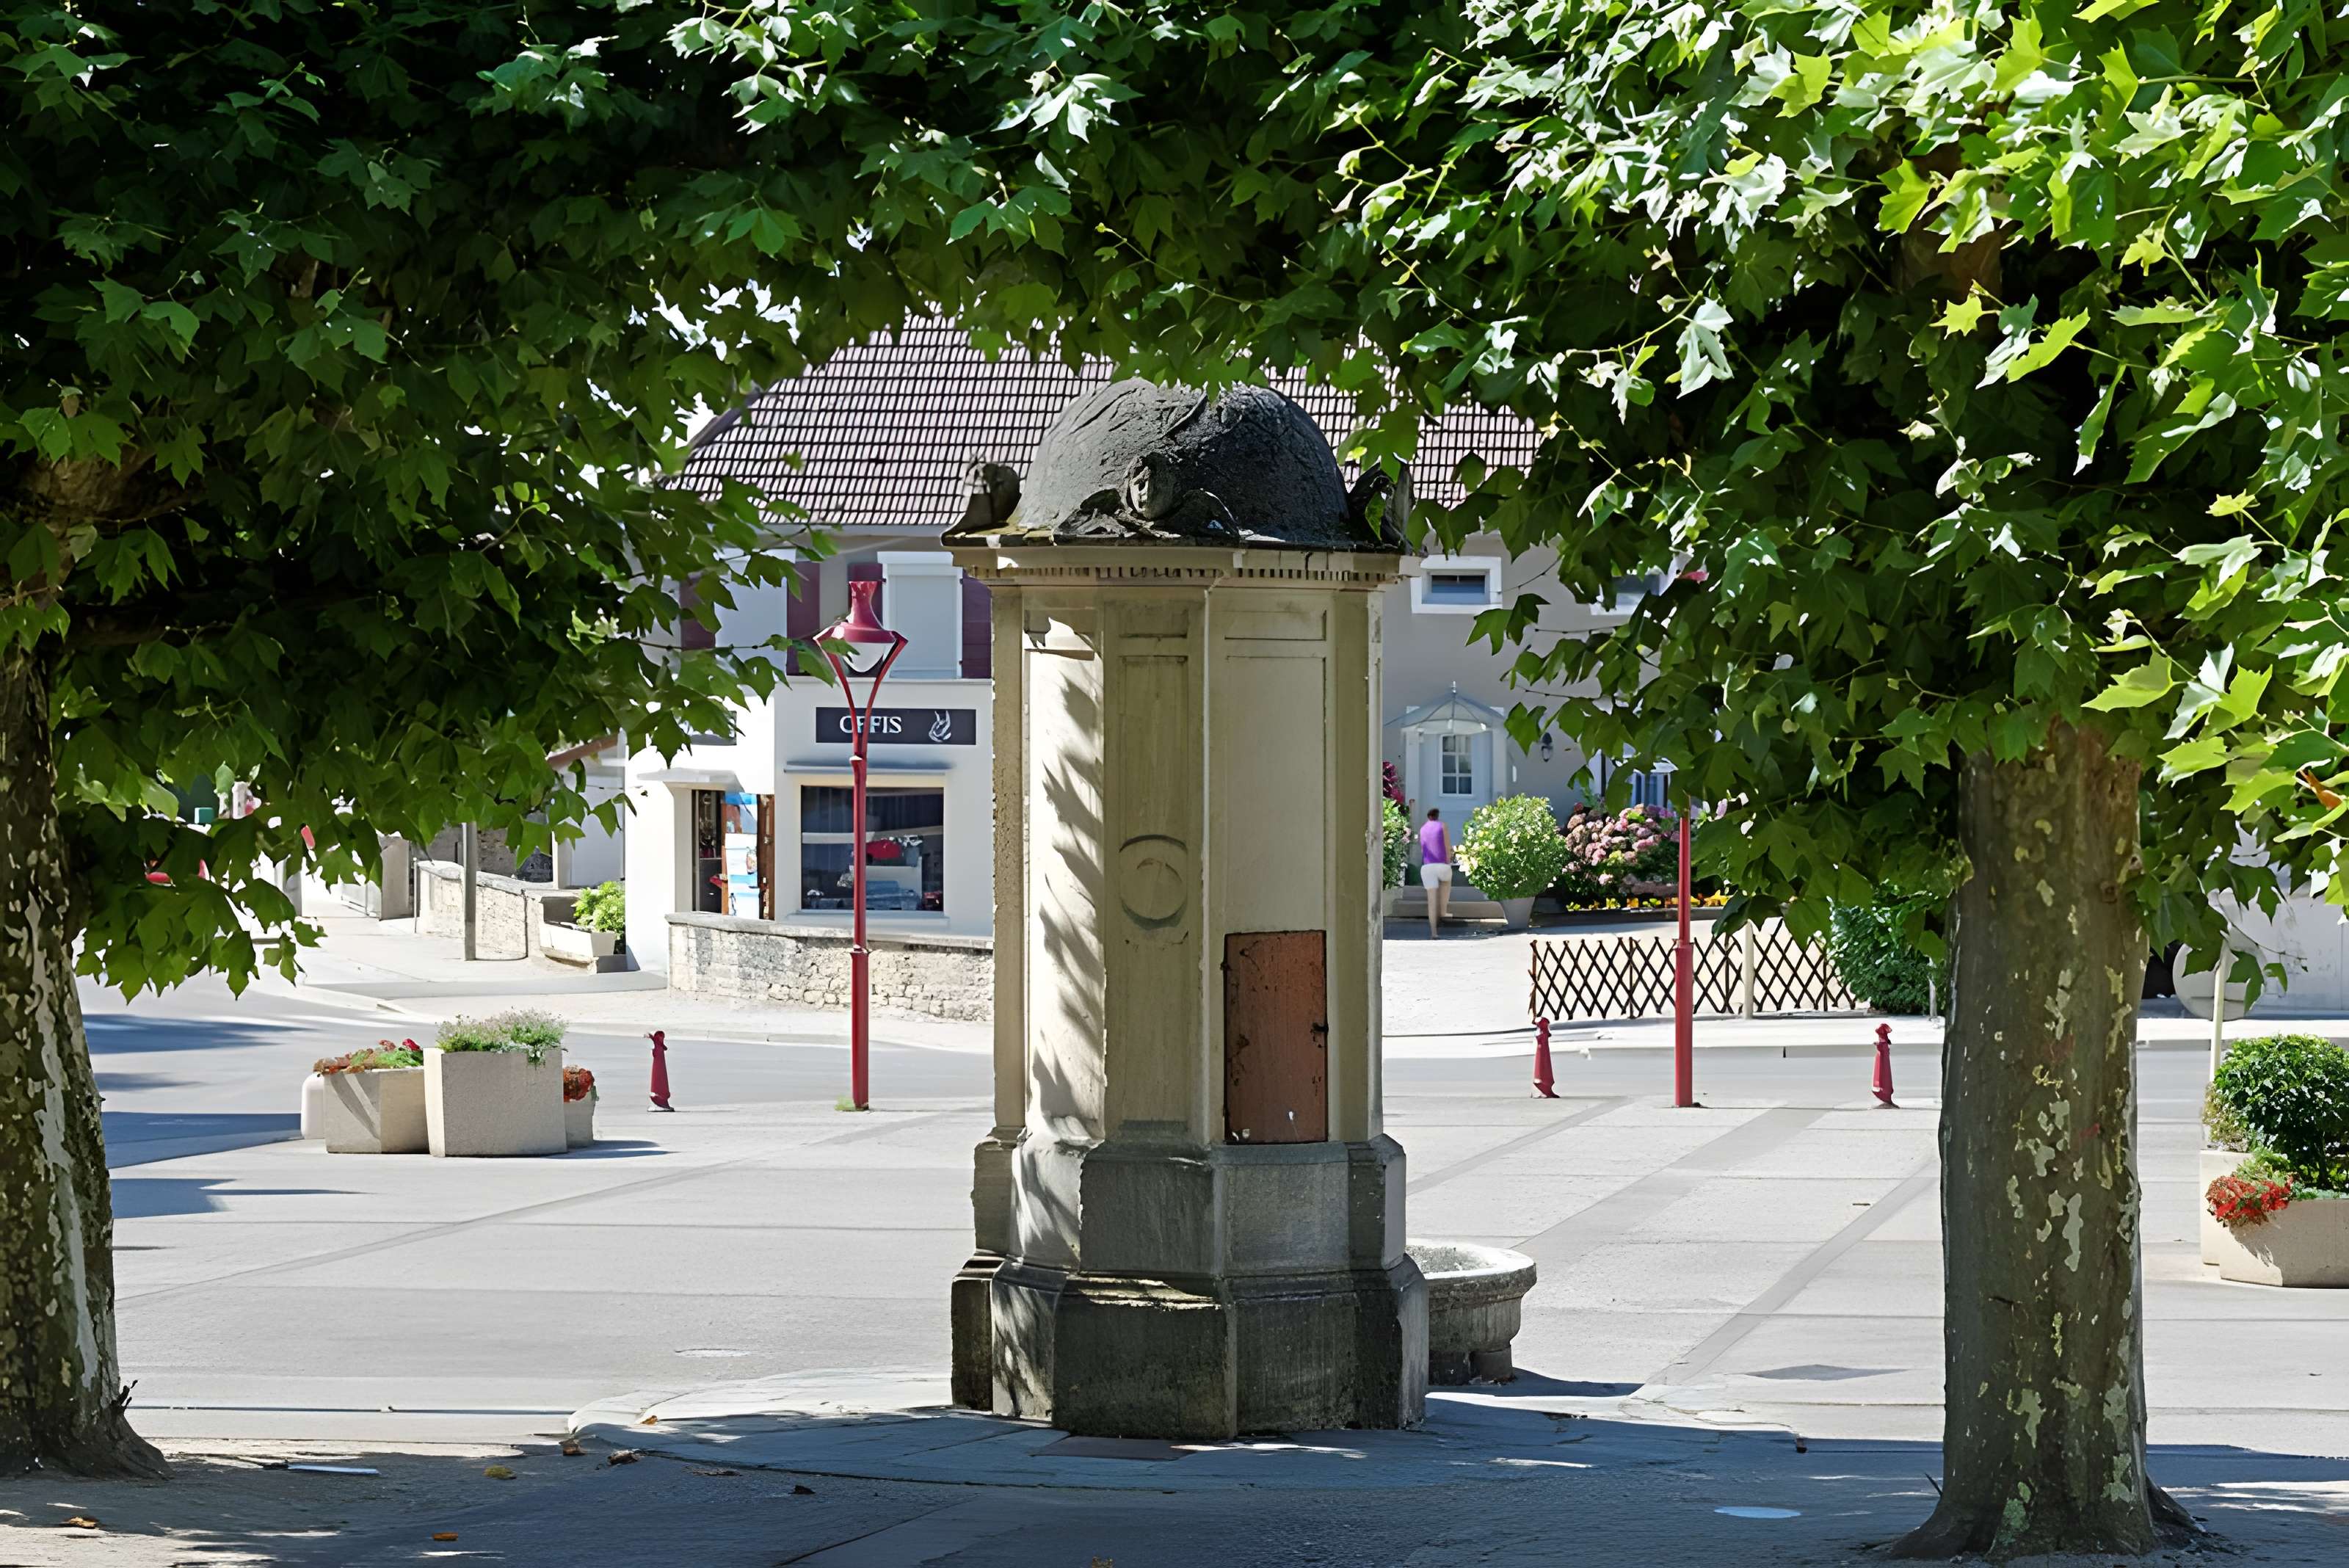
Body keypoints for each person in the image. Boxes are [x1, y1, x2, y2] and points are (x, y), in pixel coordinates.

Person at [1418, 807, 1452, 937]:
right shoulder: (1442, 826)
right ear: (1438, 816)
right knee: (1446, 882)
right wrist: (1448, 859)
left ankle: (1434, 932)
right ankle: (1443, 911)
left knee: (1431, 901)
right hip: (1442, 865)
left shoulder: (1422, 829)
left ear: (1428, 817)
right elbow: (1448, 846)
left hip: (1427, 867)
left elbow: (1423, 849)